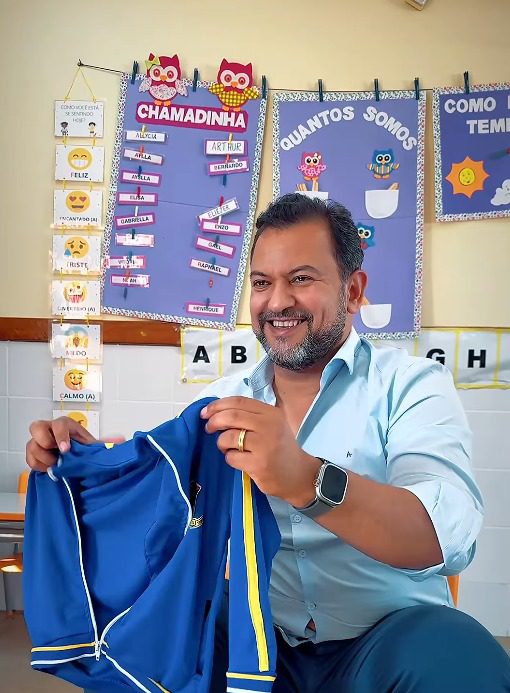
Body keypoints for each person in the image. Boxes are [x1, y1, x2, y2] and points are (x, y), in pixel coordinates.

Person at [27, 194, 510, 692]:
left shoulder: (412, 386)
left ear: (353, 291)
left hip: (388, 639)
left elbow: (445, 537)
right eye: (262, 283)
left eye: (301, 278)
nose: (277, 302)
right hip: (258, 637)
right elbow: (165, 504)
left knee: (464, 658)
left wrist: (308, 480)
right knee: (157, 647)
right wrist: (85, 467)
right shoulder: (220, 402)